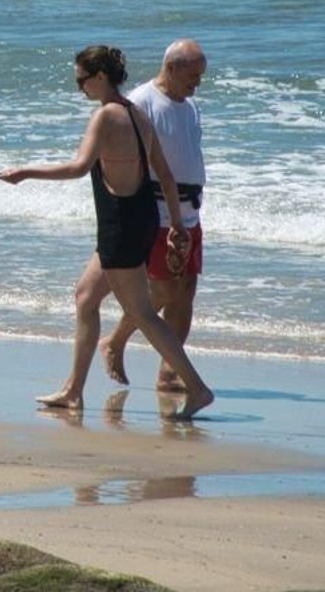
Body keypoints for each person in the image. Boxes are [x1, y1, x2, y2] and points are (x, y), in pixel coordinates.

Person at [0, 45, 214, 421]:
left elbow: (80, 168)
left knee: (143, 313)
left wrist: (24, 173)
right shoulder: (138, 114)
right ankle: (73, 391)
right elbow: (163, 171)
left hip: (121, 226)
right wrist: (176, 223)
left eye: (82, 80)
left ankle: (197, 388)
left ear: (100, 77)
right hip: (142, 220)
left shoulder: (107, 117)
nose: (79, 87)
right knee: (85, 297)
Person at [103, 40, 208, 392]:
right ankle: (115, 341)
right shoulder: (142, 101)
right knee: (160, 292)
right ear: (172, 67)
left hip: (190, 213)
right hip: (161, 213)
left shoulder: (191, 106)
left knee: (185, 294)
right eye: (193, 75)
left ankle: (168, 371)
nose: (198, 82)